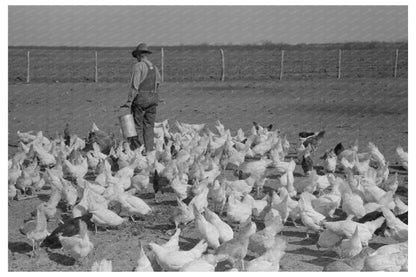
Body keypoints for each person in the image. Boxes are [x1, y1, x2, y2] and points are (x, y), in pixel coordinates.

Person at [121, 43, 162, 153]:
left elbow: (135, 86)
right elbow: (158, 83)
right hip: (153, 98)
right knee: (149, 125)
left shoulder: (138, 66)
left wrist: (129, 101)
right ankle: (149, 150)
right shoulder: (155, 68)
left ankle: (138, 150)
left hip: (141, 98)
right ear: (146, 54)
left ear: (139, 55)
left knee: (137, 125)